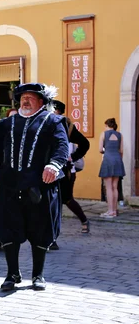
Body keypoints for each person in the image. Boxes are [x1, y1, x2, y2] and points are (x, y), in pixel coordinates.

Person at [0, 83, 69, 291]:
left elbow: (62, 147)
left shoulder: (53, 121)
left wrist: (54, 165)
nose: (25, 101)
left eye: (31, 97)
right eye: (22, 97)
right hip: (10, 186)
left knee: (40, 230)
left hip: (40, 187)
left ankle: (38, 274)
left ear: (42, 101)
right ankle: (12, 274)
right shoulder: (7, 124)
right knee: (8, 229)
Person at [52, 100, 90, 233]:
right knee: (51, 200)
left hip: (65, 170)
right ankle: (52, 234)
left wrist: (72, 157)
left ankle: (84, 219)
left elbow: (84, 144)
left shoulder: (67, 126)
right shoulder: (42, 123)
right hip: (46, 169)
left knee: (67, 199)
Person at [98, 117, 125, 218]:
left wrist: (107, 151)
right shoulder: (120, 135)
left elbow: (100, 149)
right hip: (118, 160)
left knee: (108, 187)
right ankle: (114, 210)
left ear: (106, 125)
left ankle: (110, 211)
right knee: (115, 187)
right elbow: (121, 150)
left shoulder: (103, 134)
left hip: (108, 160)